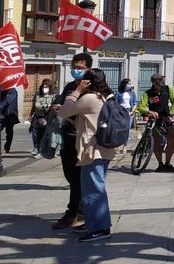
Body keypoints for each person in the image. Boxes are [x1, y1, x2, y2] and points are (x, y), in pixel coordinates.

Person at [57, 68, 115, 242]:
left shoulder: (90, 97)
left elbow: (65, 111)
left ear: (87, 82)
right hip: (100, 149)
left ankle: (100, 228)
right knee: (92, 188)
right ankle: (93, 222)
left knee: (94, 190)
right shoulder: (103, 96)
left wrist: (76, 91)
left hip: (93, 150)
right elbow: (82, 119)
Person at [50, 52, 92, 230]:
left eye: (80, 68)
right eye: (74, 67)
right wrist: (56, 107)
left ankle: (73, 213)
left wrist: (67, 111)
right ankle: (81, 209)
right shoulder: (69, 86)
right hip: (67, 136)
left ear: (88, 68)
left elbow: (89, 110)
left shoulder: (91, 88)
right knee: (70, 175)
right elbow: (64, 103)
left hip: (82, 137)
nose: (76, 71)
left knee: (76, 178)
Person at [138, 73, 174, 172]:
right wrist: (149, 112)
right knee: (157, 143)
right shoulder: (148, 93)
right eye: (158, 80)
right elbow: (140, 107)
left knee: (171, 140)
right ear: (153, 82)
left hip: (166, 118)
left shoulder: (168, 89)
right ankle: (160, 164)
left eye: (161, 79)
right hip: (155, 121)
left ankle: (168, 163)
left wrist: (171, 113)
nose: (161, 81)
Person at [30, 79, 56, 157]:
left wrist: (45, 106)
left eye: (47, 87)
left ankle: (48, 150)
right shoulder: (38, 94)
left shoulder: (53, 95)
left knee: (48, 135)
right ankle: (38, 149)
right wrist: (46, 106)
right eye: (44, 87)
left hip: (48, 117)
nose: (45, 88)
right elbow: (36, 105)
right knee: (37, 134)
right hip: (38, 117)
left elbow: (52, 106)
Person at [116, 78, 137, 154]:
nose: (129, 85)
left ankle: (125, 146)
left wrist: (132, 111)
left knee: (127, 130)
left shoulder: (132, 92)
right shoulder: (118, 92)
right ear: (124, 84)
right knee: (119, 129)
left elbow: (135, 103)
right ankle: (117, 146)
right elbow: (116, 103)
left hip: (129, 112)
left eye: (130, 83)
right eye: (128, 83)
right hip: (121, 111)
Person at [0, 87, 19, 153]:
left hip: (10, 115)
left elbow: (8, 101)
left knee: (9, 132)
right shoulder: (2, 91)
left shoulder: (13, 91)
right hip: (2, 114)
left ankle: (7, 148)